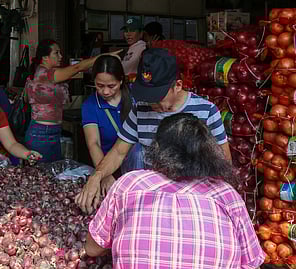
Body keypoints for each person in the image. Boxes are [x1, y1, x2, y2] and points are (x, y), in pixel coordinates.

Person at [85, 113, 264, 269]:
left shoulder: (129, 186)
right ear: (209, 153)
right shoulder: (227, 196)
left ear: (157, 150)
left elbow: (92, 247)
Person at [76, 48, 231, 213]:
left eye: (157, 97)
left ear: (177, 85)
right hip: (152, 202)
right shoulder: (140, 109)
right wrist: (97, 176)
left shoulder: (206, 111)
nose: (151, 104)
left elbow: (224, 162)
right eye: (147, 96)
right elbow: (119, 152)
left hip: (193, 203)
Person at [24, 39, 122, 162]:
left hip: (51, 131)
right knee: (42, 175)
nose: (60, 56)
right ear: (45, 57)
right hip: (41, 133)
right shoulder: (46, 74)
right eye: (56, 53)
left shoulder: (47, 73)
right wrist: (103, 57)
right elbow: (77, 67)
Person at [81, 55, 131, 193]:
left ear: (121, 80)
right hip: (109, 169)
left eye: (111, 86)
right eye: (99, 86)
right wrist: (104, 175)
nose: (106, 91)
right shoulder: (90, 105)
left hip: (138, 169)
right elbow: (94, 143)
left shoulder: (135, 98)